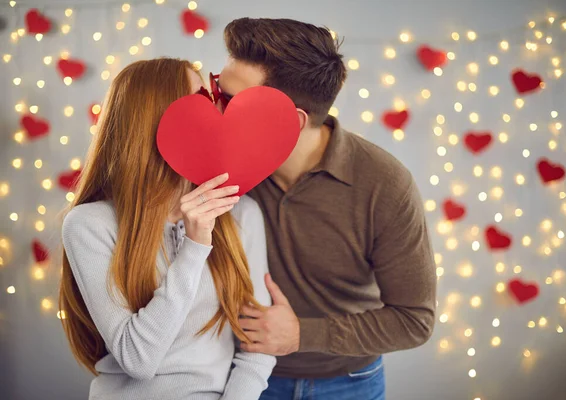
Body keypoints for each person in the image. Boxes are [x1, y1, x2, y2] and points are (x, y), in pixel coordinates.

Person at [213, 18, 437, 400]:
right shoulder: (216, 164)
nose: (217, 108)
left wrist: (302, 334)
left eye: (234, 102)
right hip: (240, 378)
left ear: (290, 121)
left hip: (348, 384)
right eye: (218, 89)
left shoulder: (384, 184)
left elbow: (414, 320)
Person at [58, 58, 275, 400]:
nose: (218, 107)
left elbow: (258, 346)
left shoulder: (241, 214)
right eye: (203, 97)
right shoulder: (88, 225)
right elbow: (138, 360)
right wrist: (194, 246)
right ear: (157, 121)